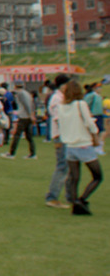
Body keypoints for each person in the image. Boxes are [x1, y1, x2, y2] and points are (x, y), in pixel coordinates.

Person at [57, 79, 102, 215]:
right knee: (97, 176)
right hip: (83, 144)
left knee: (74, 177)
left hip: (70, 145)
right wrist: (95, 133)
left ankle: (75, 202)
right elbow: (89, 122)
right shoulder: (80, 104)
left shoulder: (61, 106)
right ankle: (81, 200)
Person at [46, 74, 73, 209]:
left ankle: (70, 196)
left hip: (65, 135)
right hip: (61, 136)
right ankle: (52, 197)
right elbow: (58, 118)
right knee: (62, 166)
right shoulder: (57, 99)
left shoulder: (61, 97)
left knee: (69, 166)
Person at [2, 82, 38, 160]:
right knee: (29, 136)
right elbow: (32, 104)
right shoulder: (27, 93)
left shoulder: (20, 94)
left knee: (17, 135)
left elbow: (26, 105)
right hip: (27, 117)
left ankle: (11, 153)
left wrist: (30, 114)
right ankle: (33, 153)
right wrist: (32, 114)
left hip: (23, 116)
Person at [84, 81, 105, 153]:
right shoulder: (91, 96)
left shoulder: (99, 96)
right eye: (98, 87)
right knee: (95, 132)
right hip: (94, 116)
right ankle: (96, 147)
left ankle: (99, 147)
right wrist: (89, 113)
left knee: (101, 132)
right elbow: (85, 105)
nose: (100, 89)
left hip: (100, 115)